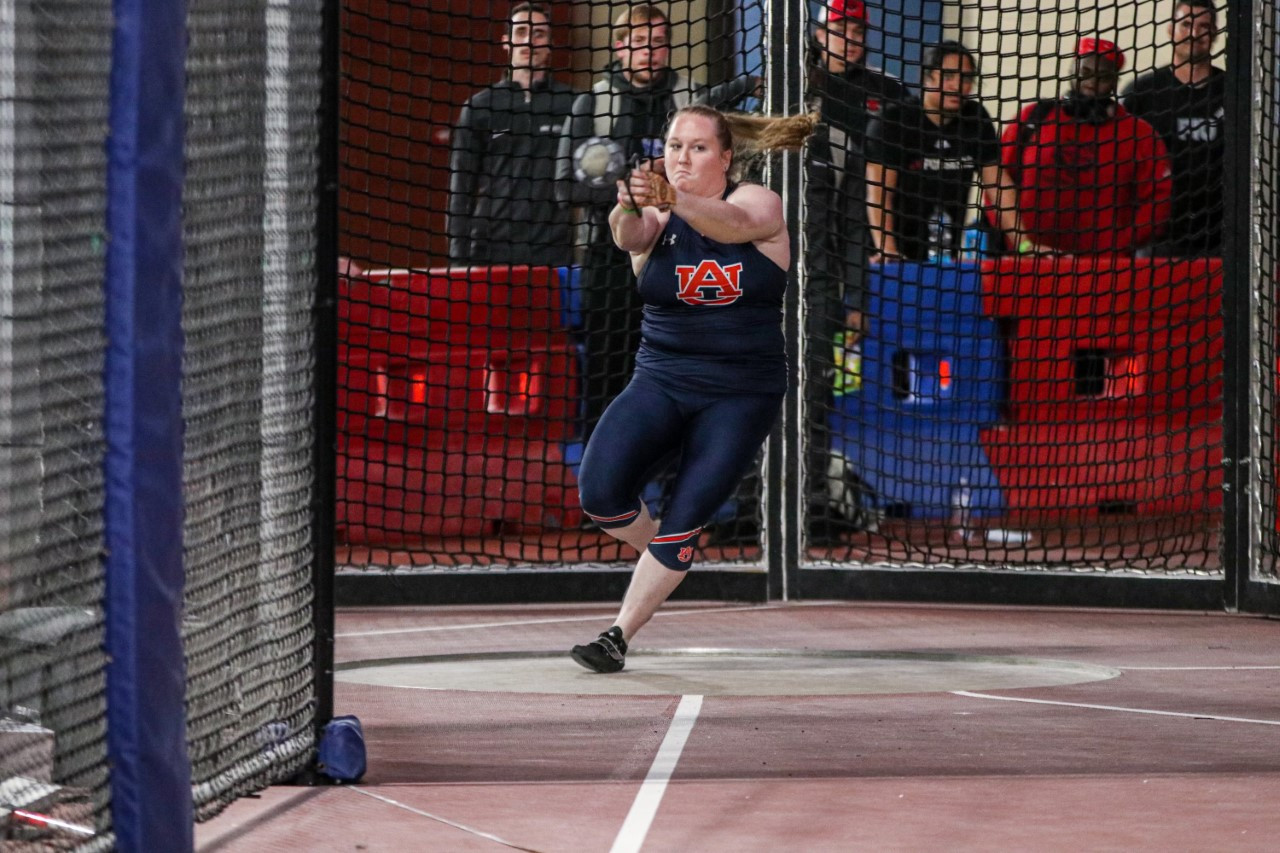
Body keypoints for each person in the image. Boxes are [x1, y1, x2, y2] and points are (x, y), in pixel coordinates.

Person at [569, 105, 816, 673]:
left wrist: (671, 197)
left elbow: (730, 225)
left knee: (686, 515)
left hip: (740, 392)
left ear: (726, 157)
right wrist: (631, 201)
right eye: (675, 146)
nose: (682, 158)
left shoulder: (760, 202)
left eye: (698, 148)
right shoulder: (657, 212)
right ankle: (671, 556)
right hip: (662, 377)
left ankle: (617, 634)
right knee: (600, 494)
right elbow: (627, 234)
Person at [556, 4, 758, 440]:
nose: (652, 52)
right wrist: (629, 192)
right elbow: (564, 188)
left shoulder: (691, 100)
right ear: (621, 46)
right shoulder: (593, 104)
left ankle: (674, 490)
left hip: (677, 258)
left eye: (660, 43)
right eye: (641, 44)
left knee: (679, 376)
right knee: (609, 376)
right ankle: (608, 492)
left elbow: (728, 110)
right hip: (610, 263)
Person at [804, 0, 908, 539]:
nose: (848, 37)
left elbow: (859, 217)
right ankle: (753, 502)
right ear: (820, 32)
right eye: (837, 27)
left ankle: (813, 498)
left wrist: (857, 298)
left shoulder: (885, 94)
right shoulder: (795, 90)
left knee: (817, 390)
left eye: (855, 29)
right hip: (773, 272)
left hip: (832, 277)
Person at [997, 37, 1173, 255]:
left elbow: (1160, 199)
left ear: (1115, 82)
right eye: (1085, 72)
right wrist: (1022, 244)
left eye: (1103, 76)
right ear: (1072, 69)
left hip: (1105, 273)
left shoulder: (1139, 135)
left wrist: (1119, 247)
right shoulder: (1033, 119)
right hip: (1030, 264)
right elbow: (996, 182)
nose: (1092, 81)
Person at [447, 3, 577, 268]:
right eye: (520, 32)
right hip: (490, 250)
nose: (529, 40)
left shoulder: (574, 104)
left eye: (539, 33)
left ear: (551, 42)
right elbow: (461, 187)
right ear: (506, 42)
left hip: (552, 252)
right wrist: (458, 261)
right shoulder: (479, 108)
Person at [864, 41, 1018, 262]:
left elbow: (999, 187)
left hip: (944, 261)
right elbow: (878, 194)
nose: (957, 86)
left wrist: (1025, 245)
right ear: (928, 77)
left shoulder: (976, 120)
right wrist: (887, 249)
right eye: (948, 76)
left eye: (965, 78)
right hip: (891, 260)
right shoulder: (893, 121)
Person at [1122, 0, 1224, 257]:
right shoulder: (1142, 93)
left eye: (1203, 26)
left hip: (1221, 234)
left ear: (1214, 34)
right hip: (1157, 235)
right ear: (1170, 30)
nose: (1194, 33)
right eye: (1186, 24)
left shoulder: (1234, 91)